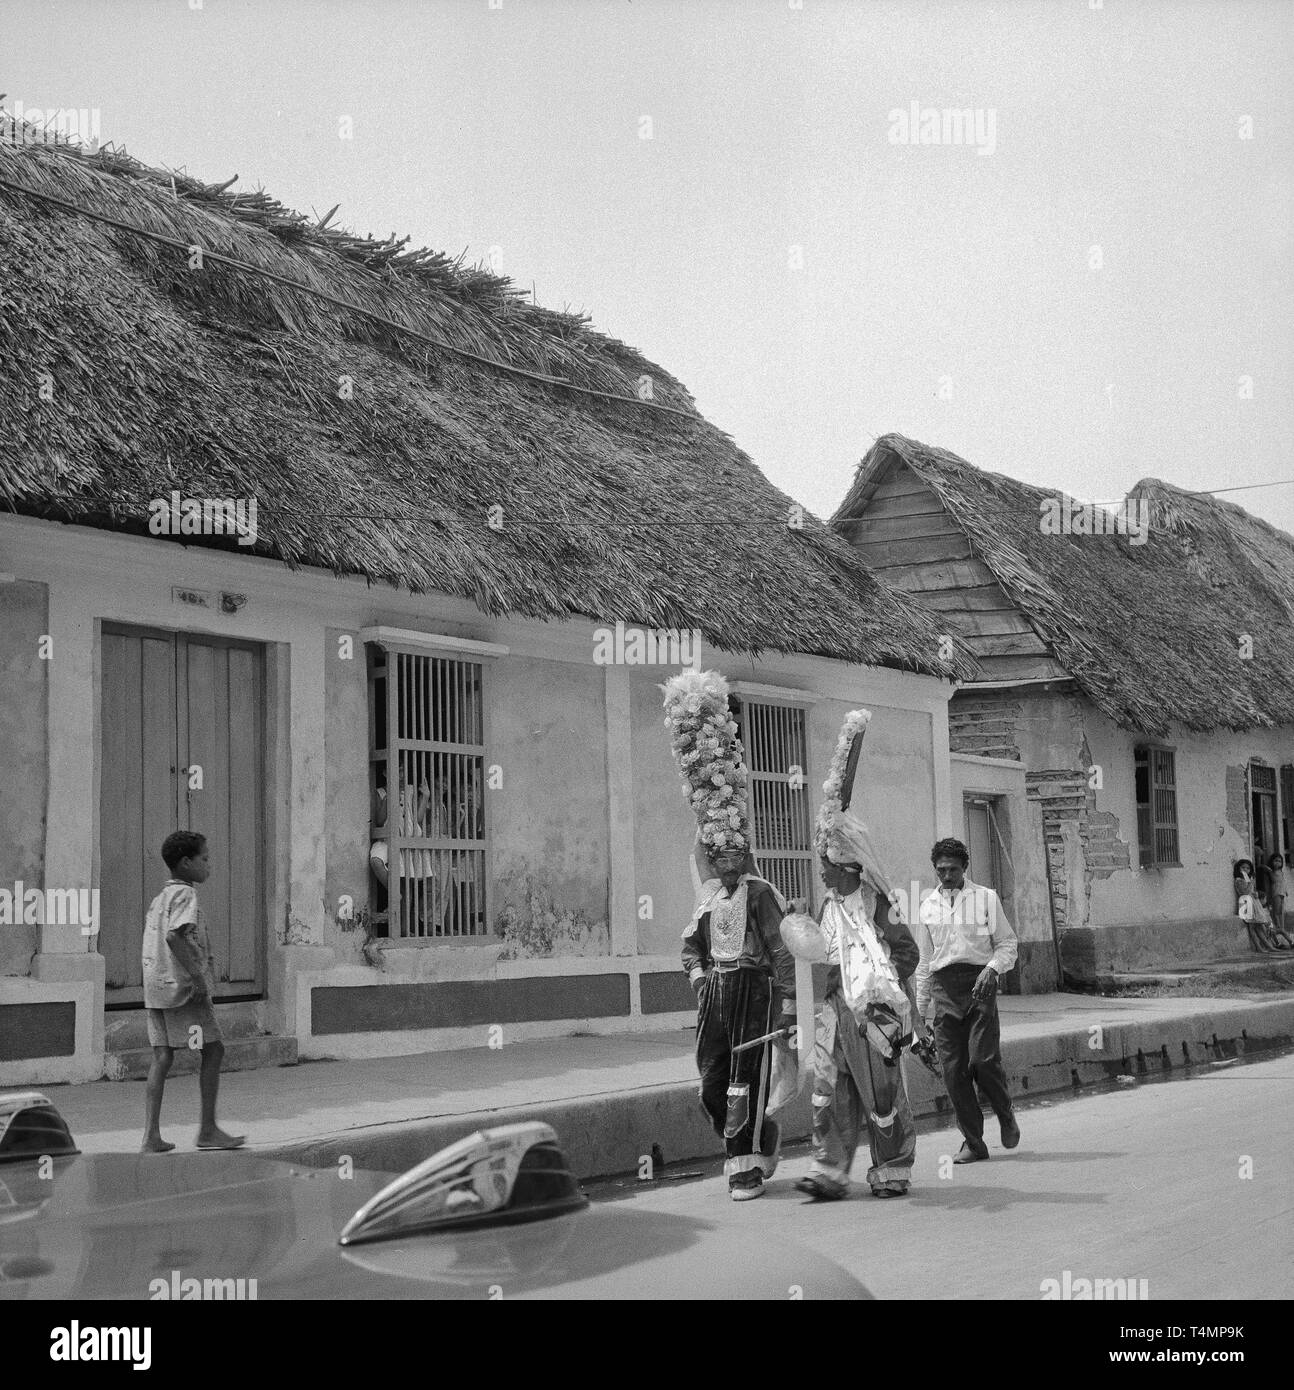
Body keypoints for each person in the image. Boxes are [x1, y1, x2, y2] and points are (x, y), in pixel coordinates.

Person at [794, 834, 925, 1201]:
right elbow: (821, 951)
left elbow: (907, 953)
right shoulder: (828, 907)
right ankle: (830, 1172)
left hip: (873, 1015)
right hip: (835, 1011)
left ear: (846, 868)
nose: (821, 874)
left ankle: (891, 1170)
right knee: (827, 1090)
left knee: (881, 1095)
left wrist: (877, 983)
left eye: (826, 868)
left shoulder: (879, 905)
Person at [683, 844, 798, 1201]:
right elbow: (691, 949)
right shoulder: (710, 898)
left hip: (753, 991)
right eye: (721, 858)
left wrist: (789, 1005)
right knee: (710, 1085)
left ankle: (745, 1167)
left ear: (746, 857)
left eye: (736, 857)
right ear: (713, 861)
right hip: (716, 991)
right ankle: (762, 1137)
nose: (729, 865)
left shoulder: (760, 893)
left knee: (743, 1083)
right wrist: (701, 982)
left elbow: (781, 950)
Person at [913, 837, 1019, 1163]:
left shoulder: (986, 898)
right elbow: (924, 963)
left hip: (980, 987)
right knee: (953, 1071)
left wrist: (992, 969)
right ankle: (973, 1142)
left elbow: (1007, 944)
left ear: (964, 869)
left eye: (952, 869)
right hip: (944, 992)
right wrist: (919, 1016)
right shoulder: (927, 905)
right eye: (941, 870)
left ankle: (1004, 1112)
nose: (946, 875)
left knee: (982, 1061)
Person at [140, 830, 244, 1153]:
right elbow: (175, 937)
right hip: (182, 990)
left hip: (156, 989)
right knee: (213, 1051)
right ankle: (208, 1130)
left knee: (162, 1056)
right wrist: (198, 976)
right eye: (205, 859)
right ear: (186, 863)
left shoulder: (160, 898)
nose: (209, 866)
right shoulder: (185, 895)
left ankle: (151, 1136)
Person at [1235, 857, 1290, 952]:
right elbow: (1245, 892)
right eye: (1243, 868)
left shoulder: (1247, 879)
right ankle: (1259, 947)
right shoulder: (1239, 880)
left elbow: (1251, 891)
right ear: (1239, 869)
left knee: (1259, 926)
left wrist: (1255, 893)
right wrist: (1250, 883)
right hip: (1246, 904)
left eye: (1248, 868)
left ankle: (1270, 947)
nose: (1245, 870)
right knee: (1252, 927)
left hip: (1253, 904)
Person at [1262, 854, 1292, 948]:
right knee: (1277, 909)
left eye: (1279, 861)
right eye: (1275, 861)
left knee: (1280, 910)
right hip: (1276, 892)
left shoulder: (1281, 871)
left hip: (1282, 892)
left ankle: (1280, 925)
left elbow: (1283, 881)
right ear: (1271, 862)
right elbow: (1264, 868)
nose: (1277, 863)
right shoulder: (1272, 871)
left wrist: (1286, 891)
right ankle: (1278, 925)